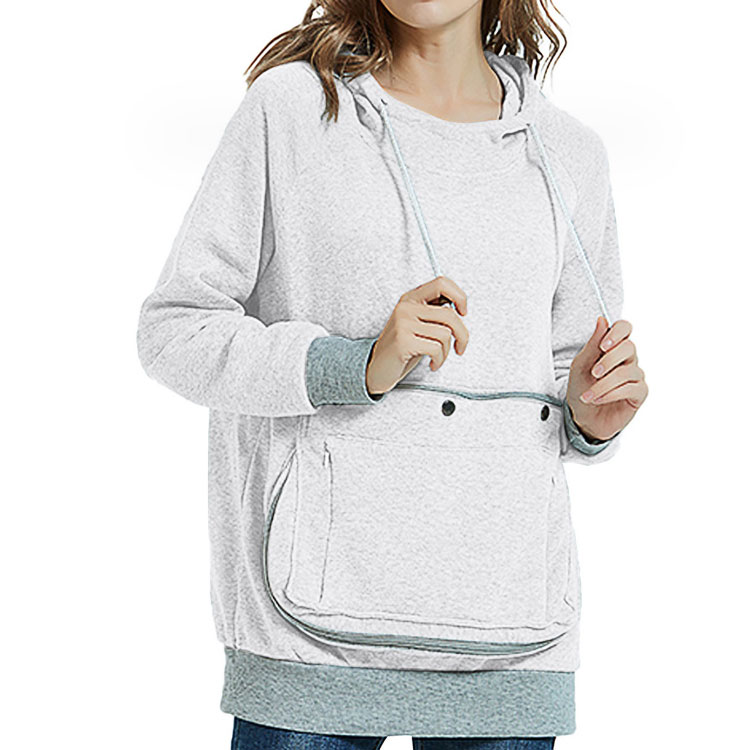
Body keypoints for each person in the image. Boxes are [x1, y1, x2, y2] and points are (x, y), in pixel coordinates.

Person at [136, 0, 649, 747]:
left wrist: (591, 418)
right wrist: (354, 363)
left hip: (510, 636)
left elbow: (571, 375)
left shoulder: (570, 153)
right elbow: (175, 329)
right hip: (310, 642)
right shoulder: (292, 111)